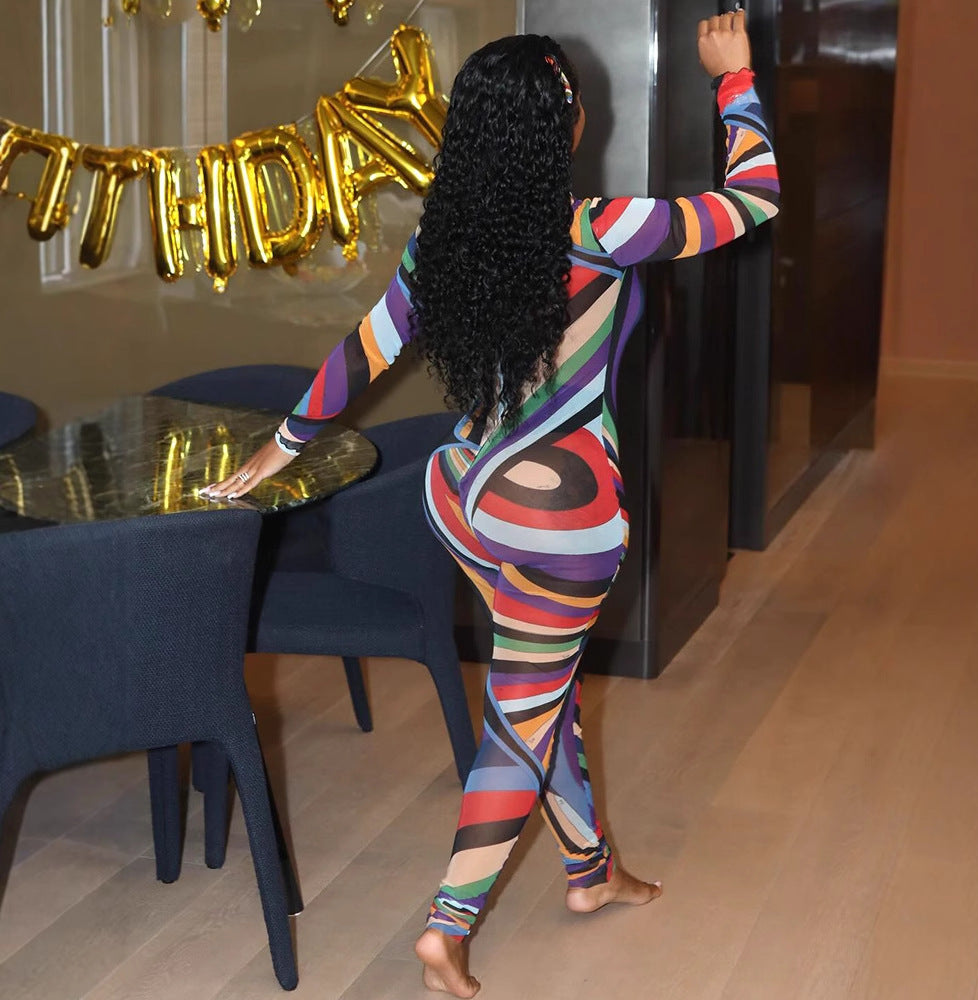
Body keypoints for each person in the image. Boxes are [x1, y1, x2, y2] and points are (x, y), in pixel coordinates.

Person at [209, 11, 777, 998]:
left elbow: (365, 351)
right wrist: (734, 78)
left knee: (539, 692)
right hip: (560, 518)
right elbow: (754, 199)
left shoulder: (445, 246)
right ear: (564, 124)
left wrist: (283, 443)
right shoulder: (602, 229)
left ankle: (590, 871)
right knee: (522, 716)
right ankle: (448, 929)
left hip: (461, 493)